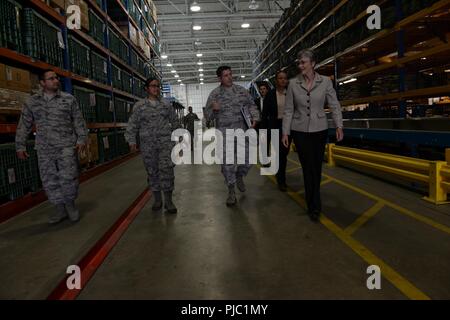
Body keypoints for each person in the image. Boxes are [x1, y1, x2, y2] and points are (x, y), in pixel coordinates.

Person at [15, 69, 88, 224]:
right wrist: (20, 146)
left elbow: (78, 120)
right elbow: (24, 125)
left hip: (66, 146)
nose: (56, 80)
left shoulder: (68, 99)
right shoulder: (32, 102)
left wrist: (82, 139)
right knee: (49, 180)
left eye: (56, 78)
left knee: (68, 177)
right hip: (44, 148)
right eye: (51, 78)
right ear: (42, 83)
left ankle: (70, 205)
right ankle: (59, 208)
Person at [282, 49, 344, 222]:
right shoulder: (293, 83)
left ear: (313, 63)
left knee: (316, 167)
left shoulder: (325, 82)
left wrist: (339, 125)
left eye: (303, 62)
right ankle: (314, 206)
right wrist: (285, 132)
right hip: (299, 130)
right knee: (307, 166)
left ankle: (314, 199)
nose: (300, 65)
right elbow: (288, 110)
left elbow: (334, 104)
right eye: (299, 63)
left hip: (319, 129)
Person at [205, 66, 260, 206]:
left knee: (249, 159)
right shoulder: (215, 94)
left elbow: (252, 105)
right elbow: (208, 117)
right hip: (225, 135)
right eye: (225, 75)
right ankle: (231, 192)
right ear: (220, 78)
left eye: (230, 74)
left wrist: (255, 117)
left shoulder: (242, 91)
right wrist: (213, 109)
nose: (229, 77)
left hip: (242, 132)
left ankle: (239, 175)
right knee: (227, 165)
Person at [125, 77, 179, 214]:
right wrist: (131, 141)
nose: (156, 88)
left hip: (165, 145)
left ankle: (168, 201)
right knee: (152, 172)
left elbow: (175, 123)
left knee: (167, 171)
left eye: (158, 86)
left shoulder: (166, 105)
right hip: (148, 146)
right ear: (146, 88)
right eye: (153, 86)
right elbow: (132, 125)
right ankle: (157, 199)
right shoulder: (140, 106)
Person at [261, 70, 291, 192]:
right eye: (280, 78)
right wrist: (263, 131)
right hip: (275, 126)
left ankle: (280, 174)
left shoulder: (290, 93)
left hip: (288, 126)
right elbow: (265, 114)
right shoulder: (270, 94)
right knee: (278, 154)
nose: (283, 80)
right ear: (276, 80)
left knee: (284, 153)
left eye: (285, 78)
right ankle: (281, 181)